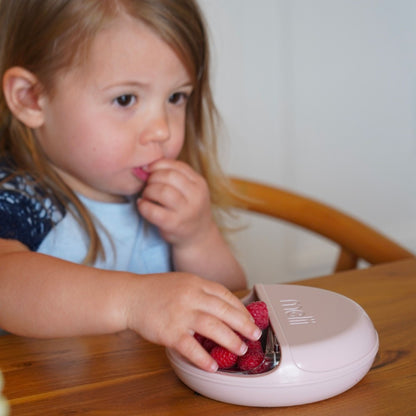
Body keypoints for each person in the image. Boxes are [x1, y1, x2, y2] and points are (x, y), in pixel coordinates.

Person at [0, 0, 262, 373]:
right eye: (125, 99)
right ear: (31, 98)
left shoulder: (162, 193)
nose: (162, 130)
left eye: (176, 97)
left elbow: (229, 304)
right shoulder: (19, 196)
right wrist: (134, 302)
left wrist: (197, 237)